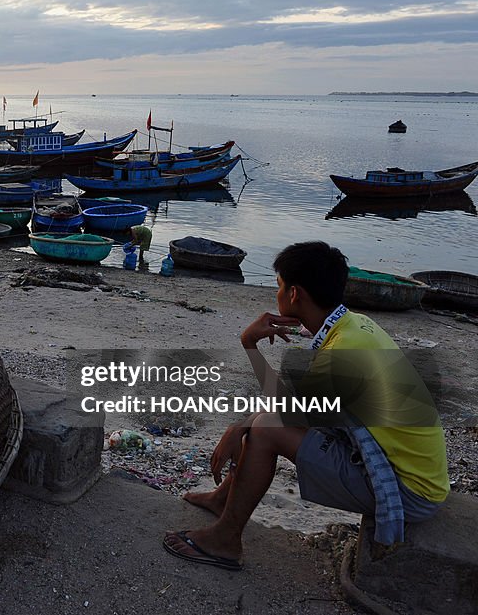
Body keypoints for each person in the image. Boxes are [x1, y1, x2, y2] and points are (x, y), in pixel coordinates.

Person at [163, 241, 448, 570]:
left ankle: (225, 540)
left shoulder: (344, 349)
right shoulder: (353, 326)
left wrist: (248, 346)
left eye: (279, 286)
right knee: (264, 421)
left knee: (266, 431)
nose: (278, 293)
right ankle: (220, 499)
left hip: (407, 490)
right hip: (414, 470)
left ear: (294, 294)